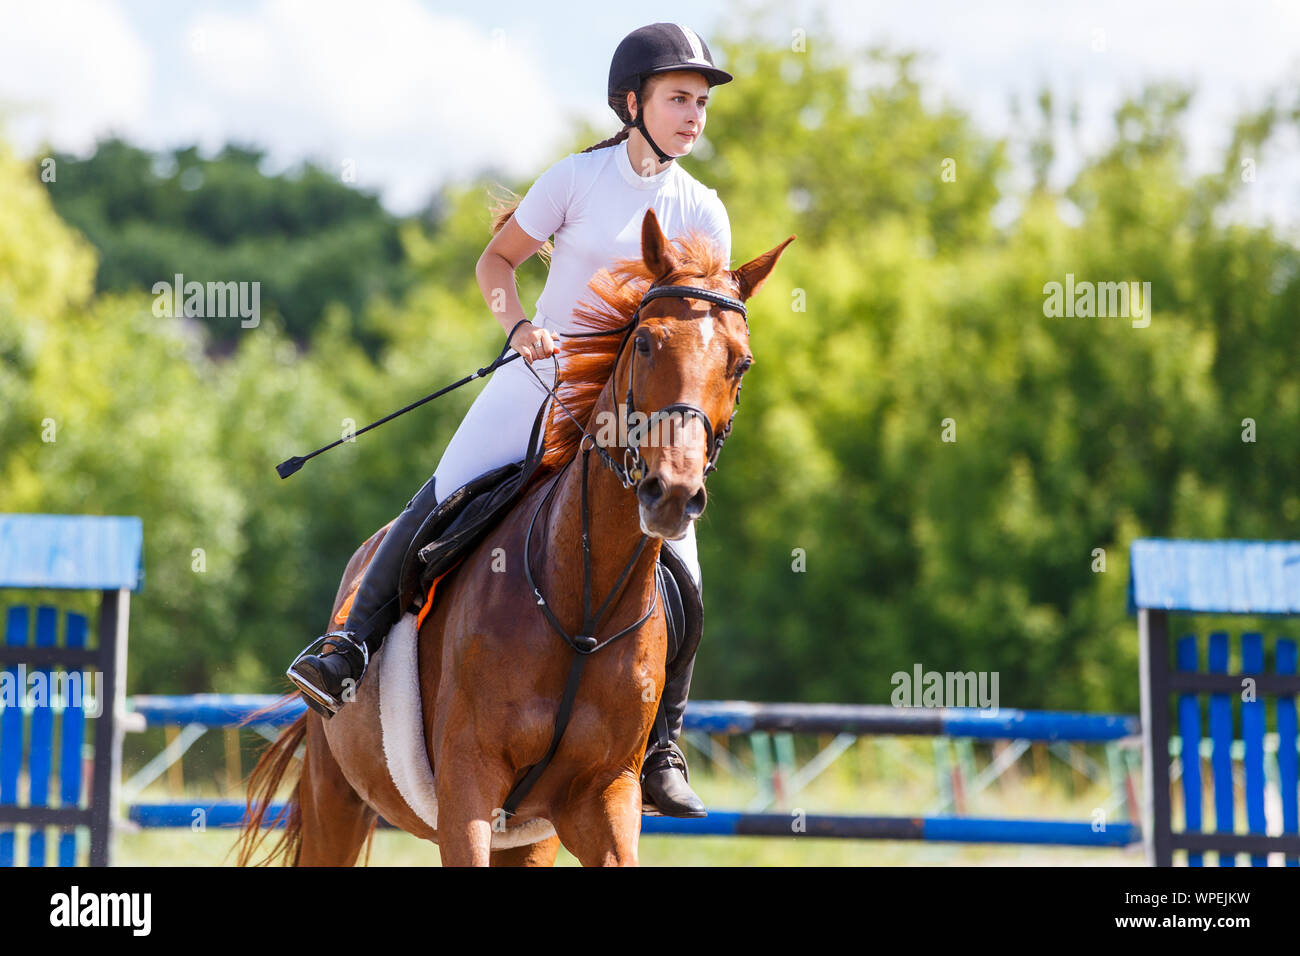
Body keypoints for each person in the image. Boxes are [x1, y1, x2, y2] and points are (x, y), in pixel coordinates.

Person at [287, 22, 733, 817]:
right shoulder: (575, 178)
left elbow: (703, 331)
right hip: (541, 383)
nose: (693, 115)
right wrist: (519, 328)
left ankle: (660, 743)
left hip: (635, 420)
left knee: (687, 573)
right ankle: (346, 646)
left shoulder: (706, 210)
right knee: (443, 493)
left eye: (700, 102)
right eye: (678, 99)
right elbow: (496, 262)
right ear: (632, 102)